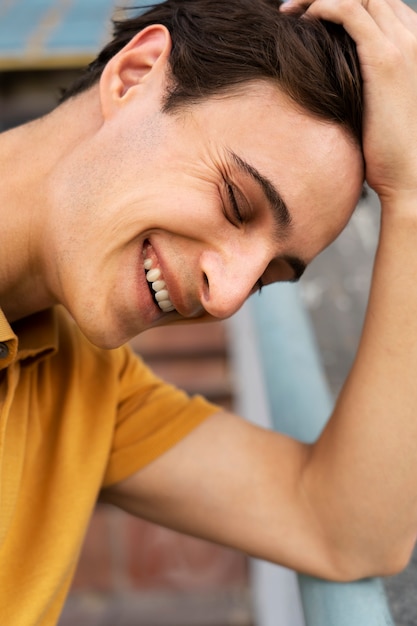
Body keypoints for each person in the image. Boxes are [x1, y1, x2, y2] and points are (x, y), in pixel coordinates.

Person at [1, 0, 416, 622]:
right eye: (234, 200)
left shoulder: (85, 384)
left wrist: (411, 203)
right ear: (135, 74)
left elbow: (345, 530)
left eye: (268, 278)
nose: (225, 298)